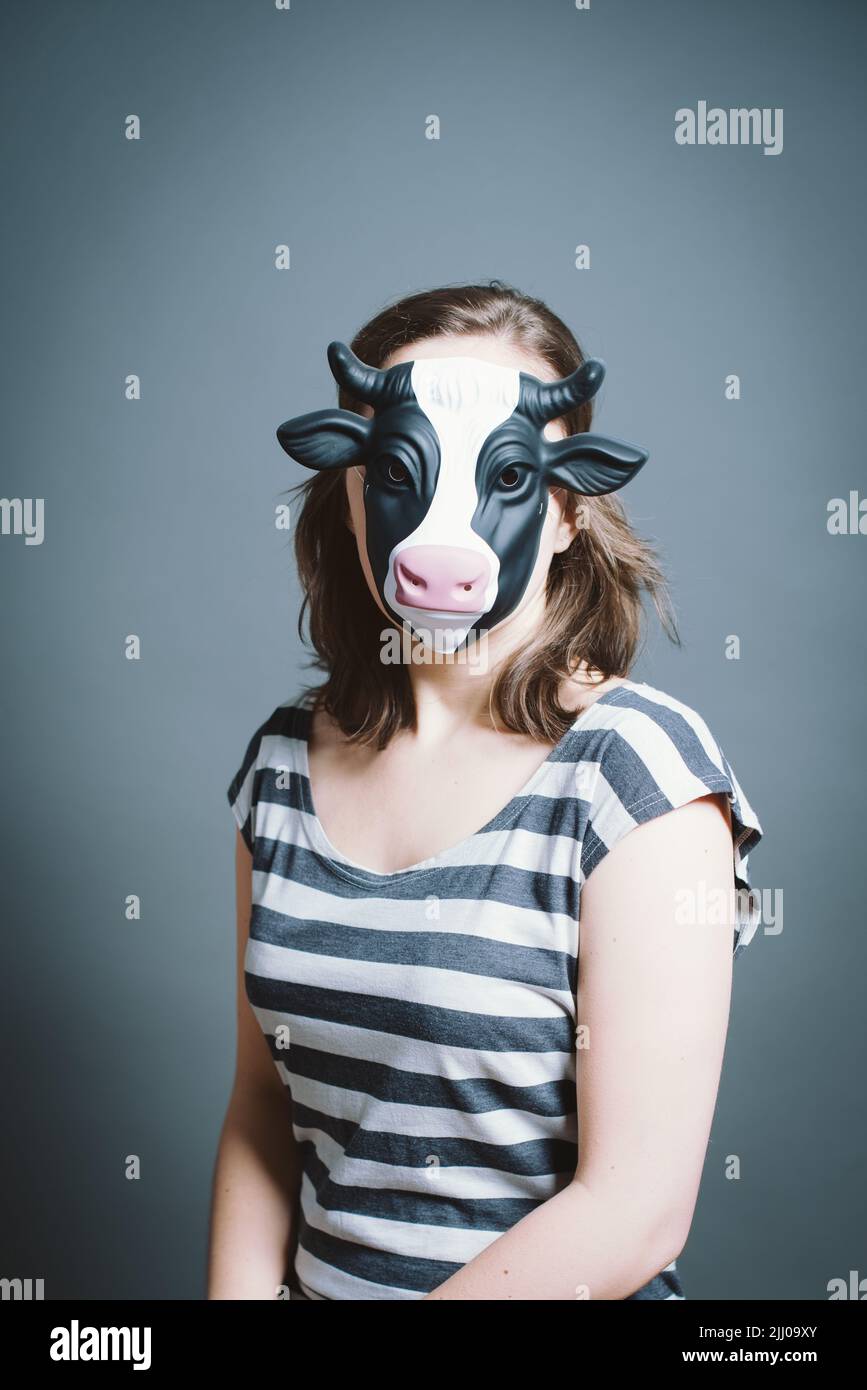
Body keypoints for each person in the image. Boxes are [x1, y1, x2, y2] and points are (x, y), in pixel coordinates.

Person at [207, 281, 764, 1301]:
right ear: (350, 488)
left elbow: (635, 1209)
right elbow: (260, 1109)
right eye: (397, 472)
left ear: (566, 512)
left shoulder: (637, 776)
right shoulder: (281, 767)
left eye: (507, 475)